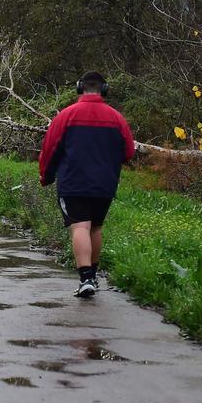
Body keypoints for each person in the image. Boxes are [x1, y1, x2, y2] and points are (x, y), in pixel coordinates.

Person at [38, 71, 135, 298]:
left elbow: (50, 149)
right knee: (96, 227)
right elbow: (129, 152)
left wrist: (46, 176)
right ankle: (94, 276)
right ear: (105, 89)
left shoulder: (66, 116)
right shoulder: (116, 118)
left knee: (80, 227)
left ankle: (85, 279)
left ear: (80, 87)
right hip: (105, 184)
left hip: (74, 182)